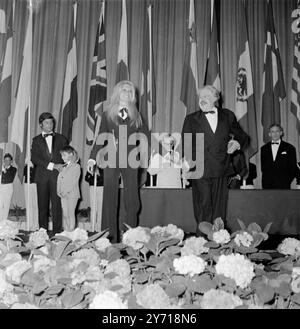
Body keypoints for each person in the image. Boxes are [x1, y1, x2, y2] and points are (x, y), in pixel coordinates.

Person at [86, 80, 149, 242]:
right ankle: (109, 237)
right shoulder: (108, 113)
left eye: (129, 91)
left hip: (131, 160)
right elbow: (100, 137)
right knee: (110, 198)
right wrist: (92, 158)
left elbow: (144, 138)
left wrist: (144, 159)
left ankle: (131, 237)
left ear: (132, 95)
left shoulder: (137, 114)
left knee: (132, 199)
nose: (126, 93)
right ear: (117, 92)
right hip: (111, 159)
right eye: (123, 90)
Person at [181, 85, 248, 235]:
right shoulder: (191, 119)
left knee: (219, 207)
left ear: (215, 98)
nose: (202, 99)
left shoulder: (228, 115)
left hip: (222, 167)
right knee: (203, 204)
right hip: (200, 168)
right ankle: (202, 240)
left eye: (206, 96)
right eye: (201, 97)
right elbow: (187, 144)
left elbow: (242, 136)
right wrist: (187, 166)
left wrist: (237, 142)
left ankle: (219, 240)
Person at [31, 112, 68, 235]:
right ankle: (42, 234)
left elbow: (68, 157)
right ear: (41, 124)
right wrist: (52, 165)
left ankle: (58, 234)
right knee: (42, 206)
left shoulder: (62, 139)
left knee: (57, 206)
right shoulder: (36, 140)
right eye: (46, 122)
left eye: (51, 122)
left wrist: (69, 164)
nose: (50, 125)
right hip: (42, 177)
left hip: (58, 177)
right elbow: (34, 158)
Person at [261, 124, 297, 189]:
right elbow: (263, 168)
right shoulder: (264, 148)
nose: (275, 134)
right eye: (272, 132)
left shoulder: (290, 148)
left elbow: (293, 167)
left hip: (283, 184)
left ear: (281, 133)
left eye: (277, 131)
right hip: (267, 184)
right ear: (269, 134)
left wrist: (286, 180)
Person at [57, 146, 80, 231]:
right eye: (62, 155)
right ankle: (66, 230)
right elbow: (59, 179)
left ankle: (71, 231)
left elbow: (74, 182)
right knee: (65, 214)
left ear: (70, 155)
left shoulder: (76, 167)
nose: (62, 157)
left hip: (72, 194)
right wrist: (58, 190)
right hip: (63, 194)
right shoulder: (63, 167)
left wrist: (66, 191)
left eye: (64, 155)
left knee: (71, 213)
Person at [85, 165, 104, 231]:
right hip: (92, 187)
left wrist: (99, 176)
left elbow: (105, 179)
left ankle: (99, 227)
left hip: (101, 188)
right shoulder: (91, 167)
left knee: (100, 208)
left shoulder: (103, 167)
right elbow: (86, 178)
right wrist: (92, 176)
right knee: (93, 208)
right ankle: (92, 226)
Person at [0, 153, 17, 221]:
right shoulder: (1, 168)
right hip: (1, 187)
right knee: (0, 205)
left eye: (8, 160)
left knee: (6, 205)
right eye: (5, 160)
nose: (7, 162)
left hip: (8, 187)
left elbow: (10, 178)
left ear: (11, 161)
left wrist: (4, 170)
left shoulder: (13, 169)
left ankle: (4, 221)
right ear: (3, 161)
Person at [23, 160, 39, 230]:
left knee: (35, 205)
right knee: (28, 205)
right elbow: (23, 173)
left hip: (35, 184)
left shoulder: (37, 165)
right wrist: (27, 166)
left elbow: (39, 173)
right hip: (27, 184)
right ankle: (29, 224)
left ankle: (36, 225)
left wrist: (33, 167)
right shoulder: (26, 165)